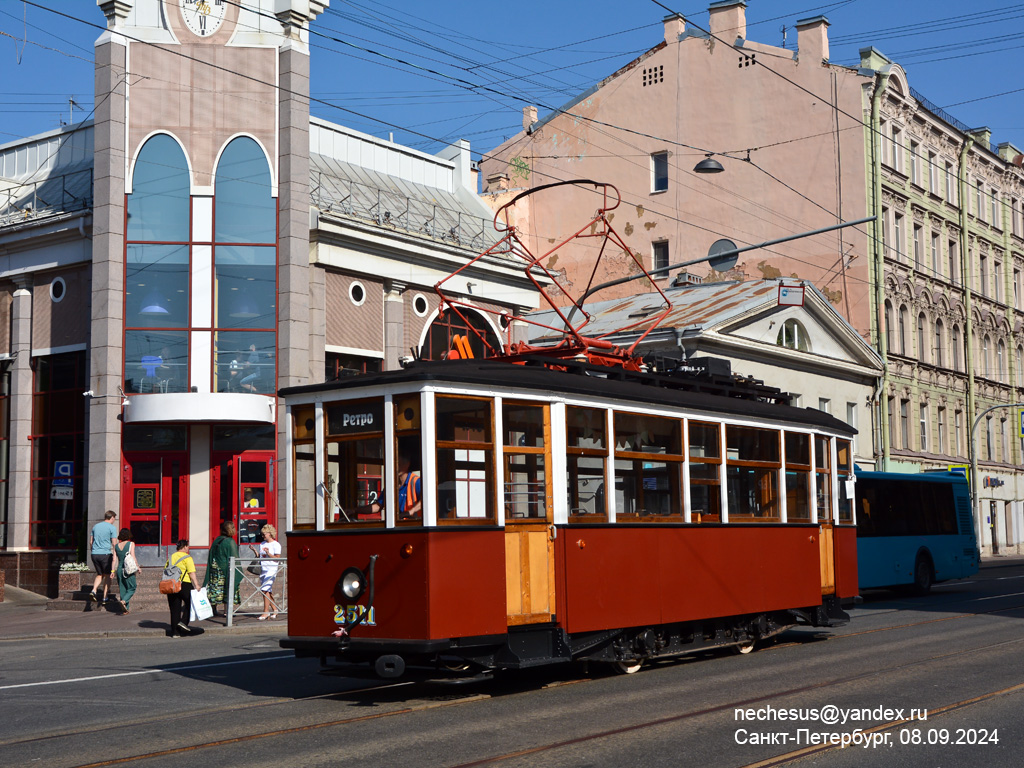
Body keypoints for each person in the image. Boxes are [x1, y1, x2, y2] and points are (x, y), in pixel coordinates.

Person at [360, 453, 421, 520]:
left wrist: (410, 512)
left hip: (414, 525)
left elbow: (426, 500)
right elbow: (378, 506)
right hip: (398, 524)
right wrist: (356, 510)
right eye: (394, 465)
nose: (396, 468)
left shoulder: (416, 482)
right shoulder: (391, 485)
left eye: (399, 464)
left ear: (407, 464)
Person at [204, 521, 241, 615]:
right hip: (225, 569)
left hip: (214, 567)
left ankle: (213, 609)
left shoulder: (217, 540)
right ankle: (227, 611)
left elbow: (211, 553)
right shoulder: (230, 542)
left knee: (214, 588)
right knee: (228, 587)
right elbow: (234, 557)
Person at [165, 539, 200, 637]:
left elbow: (166, 570)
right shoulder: (187, 557)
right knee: (191, 603)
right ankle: (184, 622)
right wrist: (196, 584)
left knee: (174, 609)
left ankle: (175, 633)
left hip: (172, 584)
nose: (188, 548)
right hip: (184, 583)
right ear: (184, 547)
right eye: (187, 546)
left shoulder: (171, 557)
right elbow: (191, 572)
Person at [88, 511, 118, 606]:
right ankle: (105, 597)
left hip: (94, 554)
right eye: (114, 518)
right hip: (105, 554)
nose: (114, 520)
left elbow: (91, 542)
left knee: (99, 574)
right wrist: (115, 555)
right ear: (112, 517)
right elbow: (114, 543)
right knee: (108, 575)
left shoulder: (95, 526)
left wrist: (93, 551)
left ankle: (94, 590)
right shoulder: (112, 528)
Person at [254, 524, 281, 620]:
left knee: (265, 589)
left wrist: (268, 553)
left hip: (271, 569)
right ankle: (275, 609)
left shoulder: (276, 544)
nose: (262, 536)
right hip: (263, 569)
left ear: (270, 534)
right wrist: (254, 551)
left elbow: (277, 558)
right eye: (262, 534)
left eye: (264, 534)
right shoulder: (262, 544)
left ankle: (266, 612)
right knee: (266, 590)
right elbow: (260, 556)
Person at [111, 528, 137, 614]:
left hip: (119, 569)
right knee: (132, 587)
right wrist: (138, 567)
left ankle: (125, 609)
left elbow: (114, 560)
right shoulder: (131, 544)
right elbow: (133, 556)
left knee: (122, 589)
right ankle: (124, 601)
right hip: (128, 569)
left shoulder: (116, 546)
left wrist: (112, 571)